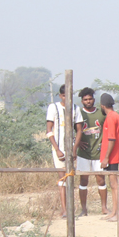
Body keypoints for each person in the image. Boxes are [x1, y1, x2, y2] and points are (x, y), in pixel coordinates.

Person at [45, 85, 84, 219]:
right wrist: (57, 149)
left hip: (70, 148)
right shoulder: (53, 108)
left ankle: (71, 207)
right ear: (60, 96)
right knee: (62, 178)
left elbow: (79, 130)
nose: (66, 98)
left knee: (70, 177)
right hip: (59, 149)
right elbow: (49, 130)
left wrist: (74, 149)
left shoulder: (75, 109)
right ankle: (64, 209)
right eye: (64, 96)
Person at [75, 87, 107, 218]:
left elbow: (107, 130)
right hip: (83, 154)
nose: (88, 101)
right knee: (83, 181)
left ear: (94, 99)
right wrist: (77, 143)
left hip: (98, 153)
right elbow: (72, 131)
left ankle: (104, 208)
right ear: (82, 101)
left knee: (101, 180)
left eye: (90, 99)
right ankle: (84, 209)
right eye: (85, 99)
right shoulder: (78, 114)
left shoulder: (101, 114)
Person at [98, 93, 119, 222]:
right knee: (113, 184)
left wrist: (106, 157)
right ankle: (114, 212)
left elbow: (112, 139)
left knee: (114, 184)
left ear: (102, 105)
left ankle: (117, 213)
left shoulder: (111, 117)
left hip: (112, 157)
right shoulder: (116, 116)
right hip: (112, 155)